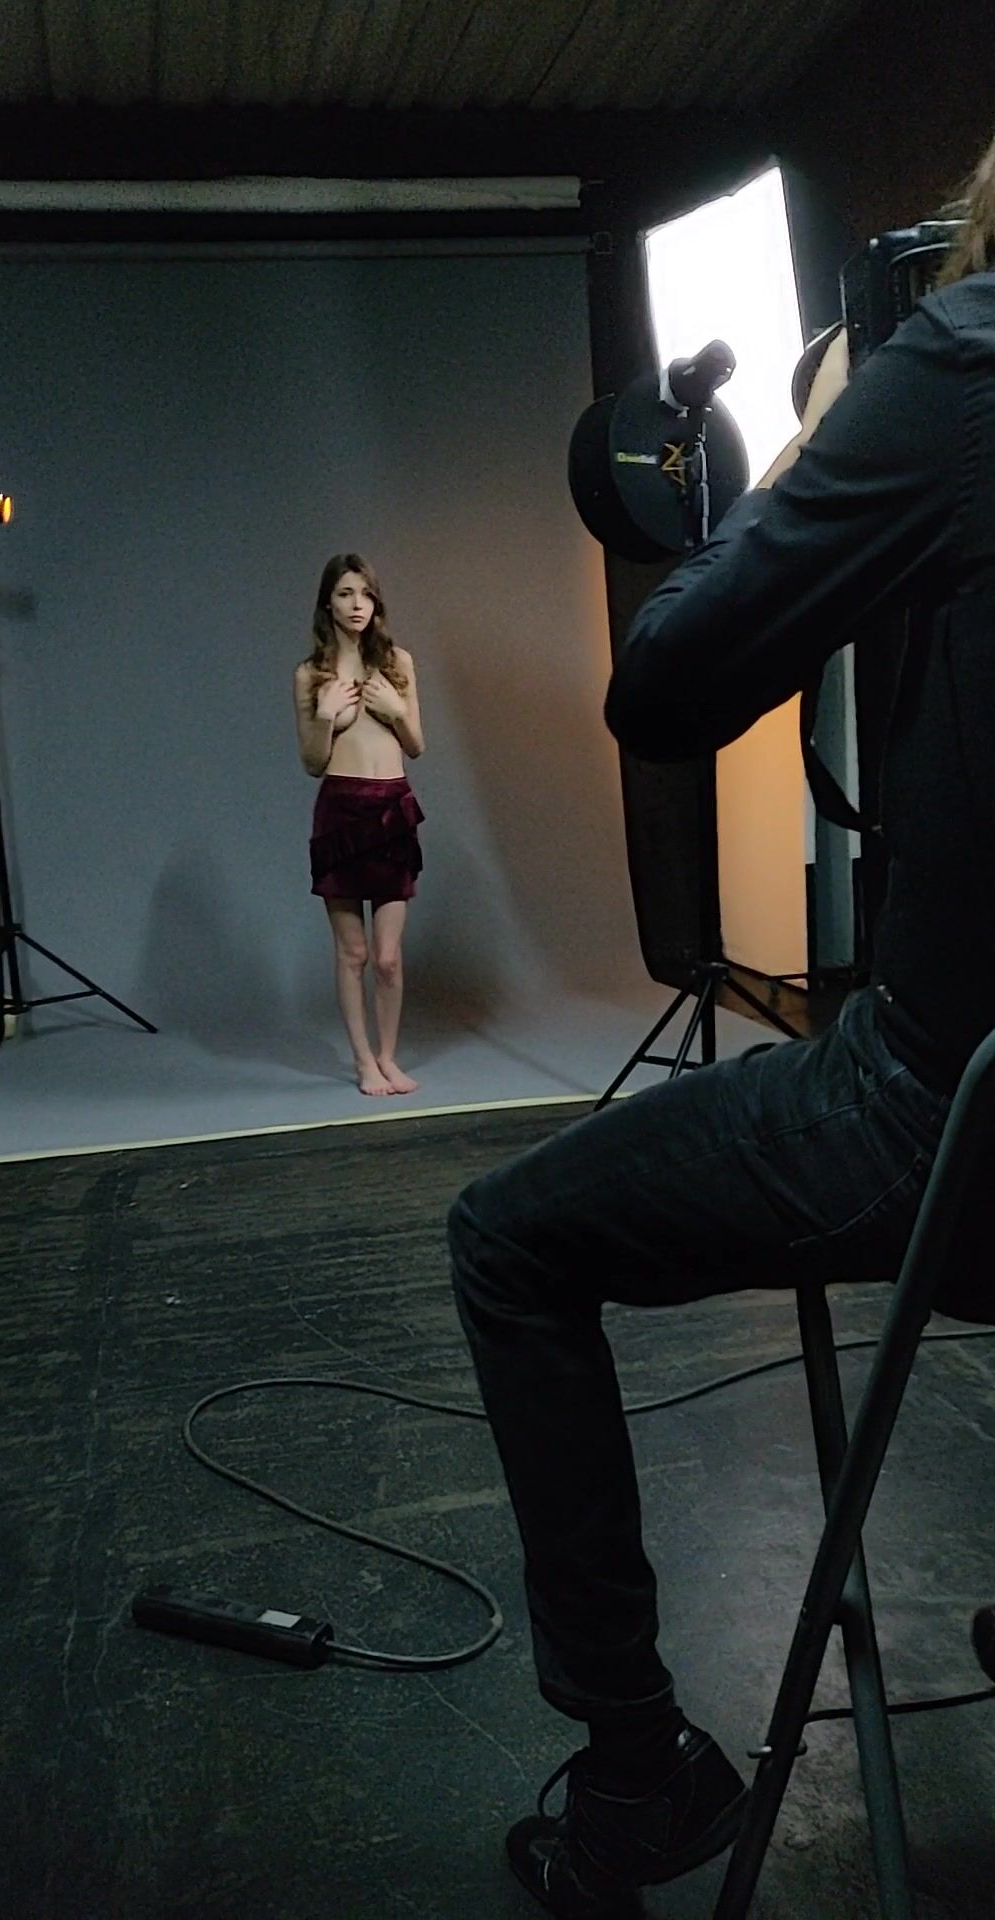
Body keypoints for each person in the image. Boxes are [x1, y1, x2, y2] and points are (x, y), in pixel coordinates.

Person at [449, 132, 995, 1916]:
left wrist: (826, 450)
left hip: (954, 1131)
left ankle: (637, 1776)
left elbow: (668, 687)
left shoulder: (967, 360)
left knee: (508, 1241)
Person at [294, 553, 425, 1097]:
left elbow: (416, 746)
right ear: (328, 602)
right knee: (354, 953)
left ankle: (388, 1057)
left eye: (366, 594)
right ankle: (363, 1061)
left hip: (391, 808)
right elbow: (311, 762)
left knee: (388, 958)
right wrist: (326, 715)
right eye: (346, 594)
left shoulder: (398, 662)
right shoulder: (311, 674)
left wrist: (395, 710)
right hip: (342, 810)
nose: (357, 605)